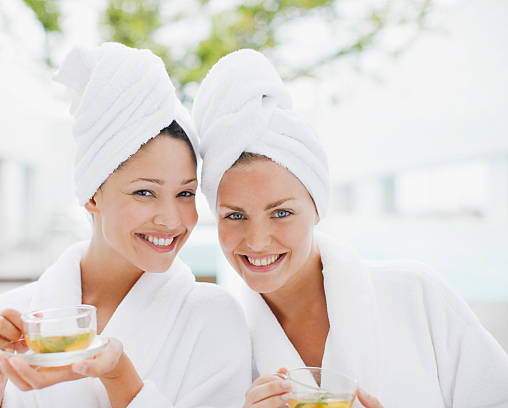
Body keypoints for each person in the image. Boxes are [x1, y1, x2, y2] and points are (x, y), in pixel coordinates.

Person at [0, 43, 251, 408]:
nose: (172, 219)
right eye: (145, 192)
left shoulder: (213, 318)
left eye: (185, 194)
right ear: (92, 195)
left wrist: (121, 379)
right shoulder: (8, 317)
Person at [191, 49, 508, 408]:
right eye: (234, 216)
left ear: (316, 208)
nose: (257, 240)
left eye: (281, 213)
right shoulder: (219, 345)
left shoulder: (416, 296)